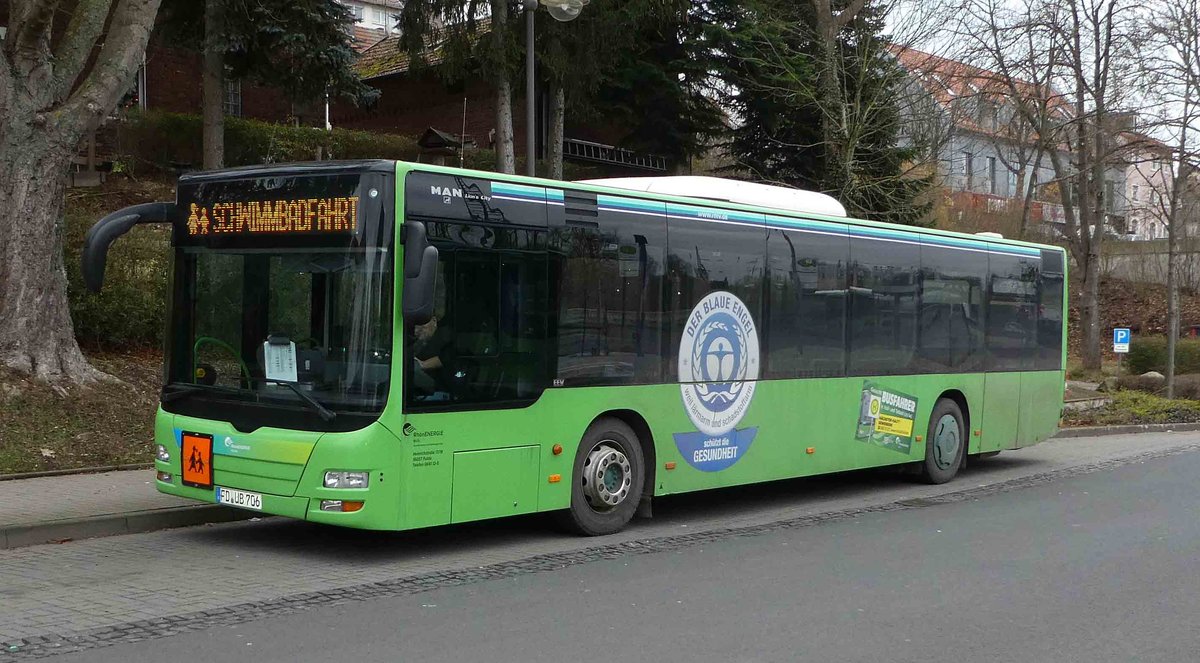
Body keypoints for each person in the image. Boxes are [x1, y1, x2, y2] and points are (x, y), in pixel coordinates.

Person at [411, 315, 454, 395]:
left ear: (434, 321)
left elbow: (448, 357)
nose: (417, 330)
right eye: (415, 326)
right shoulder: (420, 341)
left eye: (421, 325)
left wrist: (422, 365)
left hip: (439, 392)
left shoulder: (445, 337)